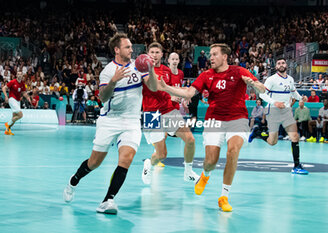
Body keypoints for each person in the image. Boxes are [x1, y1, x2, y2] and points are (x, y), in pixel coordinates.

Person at [158, 43, 265, 212]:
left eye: (214, 54)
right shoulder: (207, 75)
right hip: (214, 120)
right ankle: (205, 175)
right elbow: (188, 93)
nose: (211, 58)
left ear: (225, 57)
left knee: (232, 151)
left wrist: (253, 84)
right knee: (210, 162)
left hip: (238, 118)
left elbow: (261, 88)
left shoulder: (239, 71)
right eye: (210, 55)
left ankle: (224, 196)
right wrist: (165, 87)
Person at [63, 33, 158, 214]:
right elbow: (103, 97)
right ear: (117, 49)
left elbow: (153, 87)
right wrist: (113, 81)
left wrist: (151, 70)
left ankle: (108, 200)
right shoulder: (108, 71)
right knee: (94, 162)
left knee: (126, 159)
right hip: (109, 120)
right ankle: (73, 181)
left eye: (131, 47)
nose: (131, 50)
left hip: (131, 121)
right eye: (127, 47)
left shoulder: (139, 67)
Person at [142, 42, 199, 185]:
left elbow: (172, 88)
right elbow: (153, 88)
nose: (154, 55)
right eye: (152, 52)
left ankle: (188, 172)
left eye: (157, 52)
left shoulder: (167, 71)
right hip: (151, 114)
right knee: (161, 154)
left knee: (190, 140)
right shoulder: (143, 70)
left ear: (162, 55)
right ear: (148, 54)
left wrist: (183, 98)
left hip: (169, 111)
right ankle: (149, 163)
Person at [249, 58, 309, 175]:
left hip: (286, 111)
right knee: (272, 142)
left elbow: (293, 92)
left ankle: (296, 165)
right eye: (278, 63)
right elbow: (262, 94)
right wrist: (274, 102)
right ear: (276, 67)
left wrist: (301, 98)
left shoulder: (290, 79)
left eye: (283, 63)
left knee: (295, 137)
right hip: (274, 111)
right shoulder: (271, 80)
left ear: (286, 65)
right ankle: (257, 132)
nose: (281, 65)